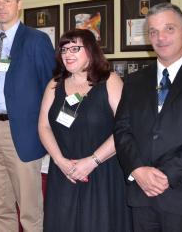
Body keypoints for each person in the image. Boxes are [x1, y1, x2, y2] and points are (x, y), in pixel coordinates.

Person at [114, 3, 182, 232]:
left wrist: (167, 175)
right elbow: (122, 130)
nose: (161, 37)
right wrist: (137, 170)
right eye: (153, 31)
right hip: (141, 195)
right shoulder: (134, 81)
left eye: (169, 29)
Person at [0, 0, 55, 231]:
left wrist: (44, 129)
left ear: (19, 5)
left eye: (7, 1)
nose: (1, 6)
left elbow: (50, 86)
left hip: (21, 131)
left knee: (30, 209)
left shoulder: (36, 40)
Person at [38, 29, 133, 231]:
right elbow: (44, 126)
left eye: (75, 48)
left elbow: (124, 129)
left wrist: (92, 161)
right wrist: (60, 161)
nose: (67, 54)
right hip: (65, 172)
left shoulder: (110, 81)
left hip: (102, 171)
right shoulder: (55, 84)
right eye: (64, 49)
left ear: (90, 50)